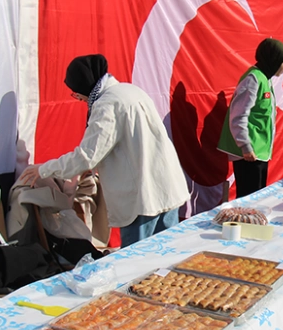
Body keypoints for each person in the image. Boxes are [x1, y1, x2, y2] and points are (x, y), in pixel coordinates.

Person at [20, 54, 189, 247]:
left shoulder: (107, 104)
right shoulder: (130, 91)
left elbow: (87, 156)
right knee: (166, 260)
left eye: (76, 94)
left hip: (143, 198)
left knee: (138, 265)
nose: (79, 99)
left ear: (83, 87)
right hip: (166, 187)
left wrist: (43, 169)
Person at [217, 38, 283, 198]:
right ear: (274, 59)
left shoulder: (265, 78)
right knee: (248, 199)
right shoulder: (253, 79)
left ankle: (252, 223)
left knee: (257, 197)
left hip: (259, 152)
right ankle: (244, 223)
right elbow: (238, 116)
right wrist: (245, 146)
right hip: (249, 154)